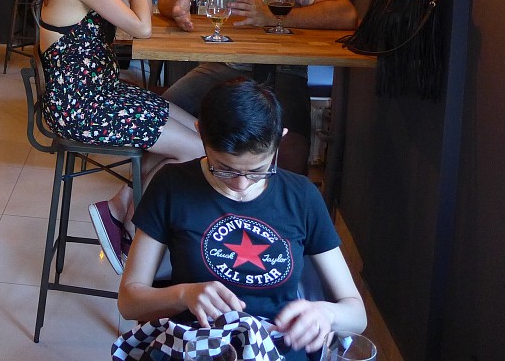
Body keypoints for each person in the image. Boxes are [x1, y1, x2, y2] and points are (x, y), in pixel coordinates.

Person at [118, 78, 366, 359]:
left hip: (277, 347)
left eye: (258, 170)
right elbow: (129, 302)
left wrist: (327, 314)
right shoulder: (172, 186)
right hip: (200, 344)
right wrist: (184, 295)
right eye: (224, 169)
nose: (241, 185)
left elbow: (356, 315)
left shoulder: (302, 196)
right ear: (200, 133)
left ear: (280, 139)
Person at [36, 0, 204, 275]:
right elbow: (142, 27)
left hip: (100, 94)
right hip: (81, 108)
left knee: (197, 132)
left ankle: (119, 206)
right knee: (195, 150)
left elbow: (138, 13)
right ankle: (130, 222)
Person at [156, 0, 357, 174]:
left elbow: (345, 13)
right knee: (159, 114)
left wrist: (275, 17)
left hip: (284, 69)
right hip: (223, 64)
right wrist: (175, 7)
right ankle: (203, 182)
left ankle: (276, 200)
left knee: (291, 149)